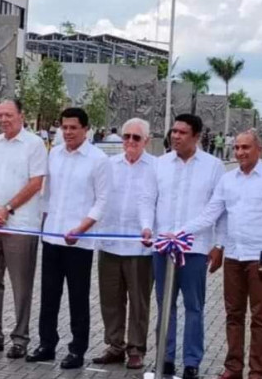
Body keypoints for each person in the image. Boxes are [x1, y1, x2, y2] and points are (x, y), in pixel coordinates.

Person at [180, 131, 262, 379]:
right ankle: (233, 367)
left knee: (260, 317)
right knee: (233, 314)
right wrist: (179, 233)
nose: (240, 152)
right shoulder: (227, 180)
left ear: (258, 149)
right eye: (237, 148)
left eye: (245, 147)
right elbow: (213, 214)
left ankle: (257, 371)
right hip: (233, 255)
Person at [139, 113, 226, 379]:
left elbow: (217, 209)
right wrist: (146, 226)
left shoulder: (213, 166)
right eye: (173, 131)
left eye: (182, 132)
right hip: (162, 247)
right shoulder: (160, 164)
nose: (175, 136)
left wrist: (217, 243)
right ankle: (164, 358)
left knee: (194, 305)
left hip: (195, 248)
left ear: (196, 137)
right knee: (165, 304)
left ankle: (191, 361)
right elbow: (147, 198)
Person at [26, 107, 110, 370]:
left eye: (74, 128)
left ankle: (77, 350)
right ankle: (46, 344)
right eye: (64, 127)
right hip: (52, 237)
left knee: (78, 297)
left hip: (80, 243)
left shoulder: (98, 159)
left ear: (86, 129)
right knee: (49, 295)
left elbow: (103, 201)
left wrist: (82, 228)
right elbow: (47, 194)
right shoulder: (55, 155)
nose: (68, 132)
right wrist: (43, 225)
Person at [0, 100, 47, 359]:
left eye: (9, 115)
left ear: (21, 116)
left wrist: (7, 209)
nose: (4, 119)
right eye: (0, 115)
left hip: (20, 225)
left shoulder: (34, 144)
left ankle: (20, 338)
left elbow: (36, 182)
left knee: (20, 285)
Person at [93, 118, 155, 370]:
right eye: (126, 136)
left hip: (140, 247)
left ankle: (136, 349)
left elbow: (155, 204)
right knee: (110, 298)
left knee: (139, 301)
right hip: (110, 242)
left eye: (136, 138)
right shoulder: (109, 165)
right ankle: (115, 345)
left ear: (146, 141)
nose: (130, 141)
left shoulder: (156, 168)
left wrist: (151, 229)